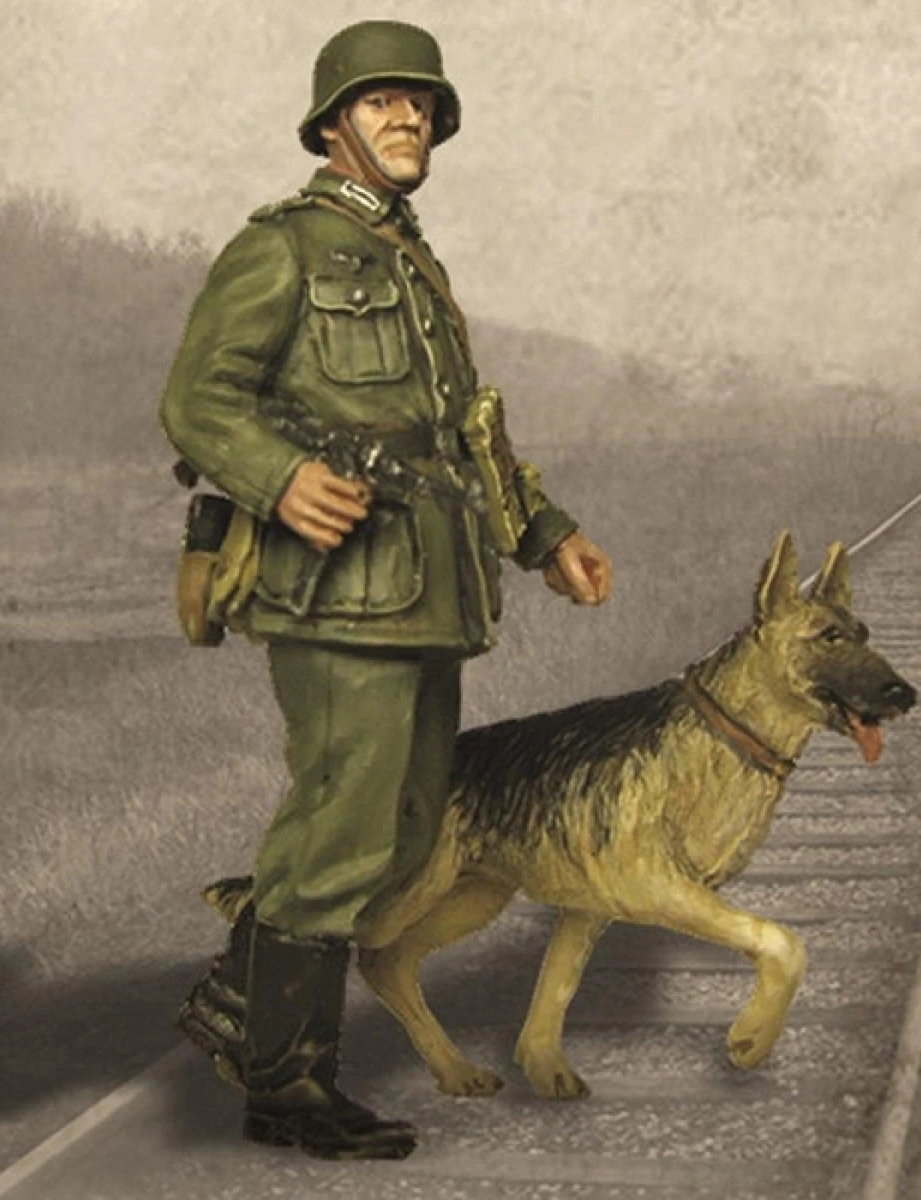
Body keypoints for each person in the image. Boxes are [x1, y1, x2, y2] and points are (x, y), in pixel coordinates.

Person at [160, 19, 612, 1161]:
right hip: (334, 592)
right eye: (380, 101)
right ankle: (289, 1083)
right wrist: (280, 477)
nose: (408, 116)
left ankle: (237, 1008)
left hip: (427, 592)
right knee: (346, 825)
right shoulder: (285, 248)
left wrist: (545, 533)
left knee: (406, 834)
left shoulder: (413, 263)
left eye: (422, 103)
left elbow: (464, 438)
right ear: (332, 127)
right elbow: (200, 399)